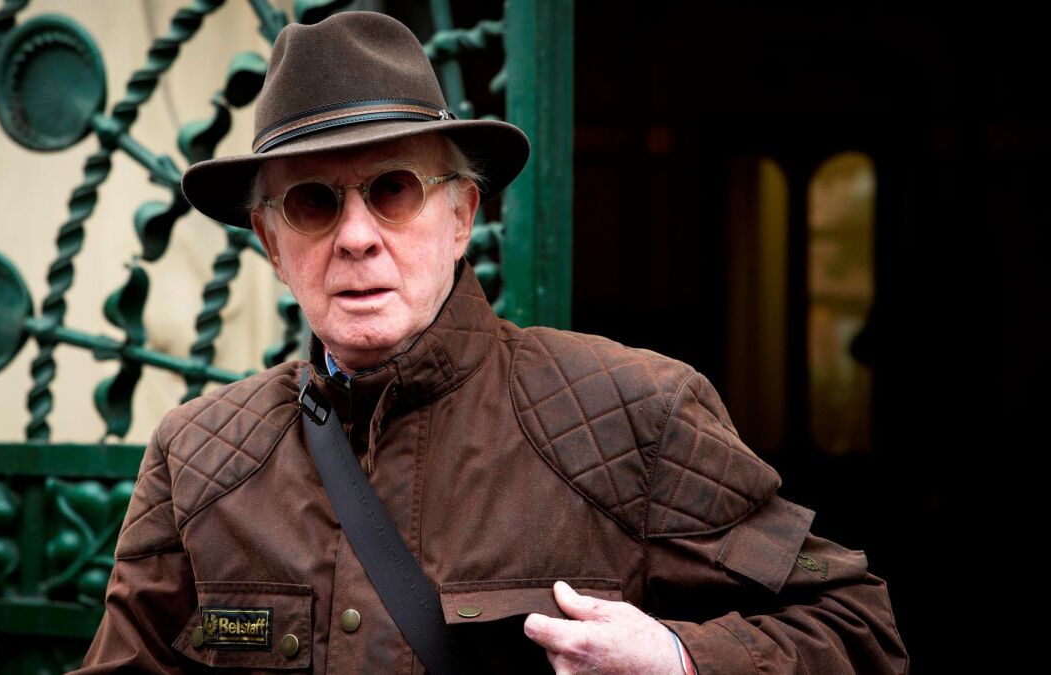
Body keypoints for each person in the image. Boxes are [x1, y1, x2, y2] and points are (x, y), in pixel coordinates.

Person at [78, 11, 907, 674]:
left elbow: (859, 628)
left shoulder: (632, 416)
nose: (357, 237)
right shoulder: (198, 457)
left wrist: (680, 658)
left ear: (462, 217)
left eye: (393, 190)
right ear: (271, 244)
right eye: (313, 203)